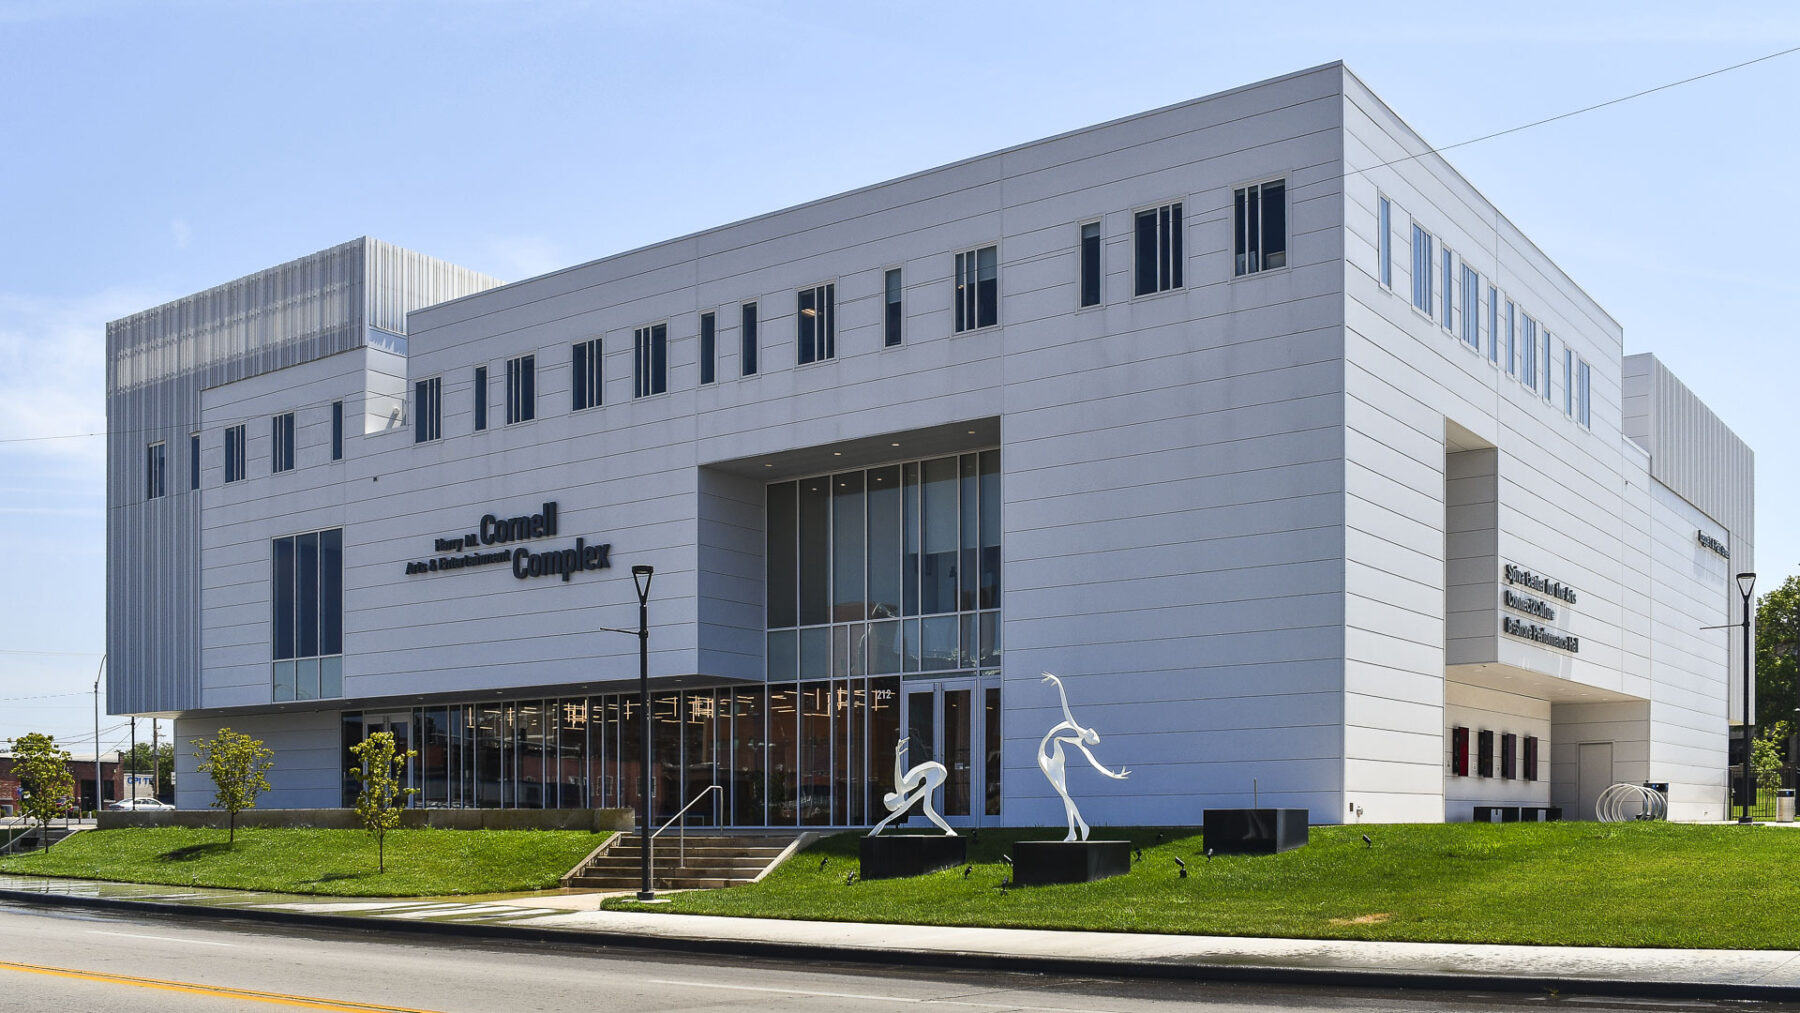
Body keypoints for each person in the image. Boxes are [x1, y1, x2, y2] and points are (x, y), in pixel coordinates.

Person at [1037, 672, 1128, 841]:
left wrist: (1112, 774)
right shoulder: (1075, 727)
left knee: (1064, 793)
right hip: (1048, 754)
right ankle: (1075, 829)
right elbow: (1065, 706)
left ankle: (1078, 827)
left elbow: (1093, 761)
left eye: (1091, 737)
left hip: (1055, 759)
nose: (1092, 734)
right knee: (1063, 793)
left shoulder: (1078, 737)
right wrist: (1058, 682)